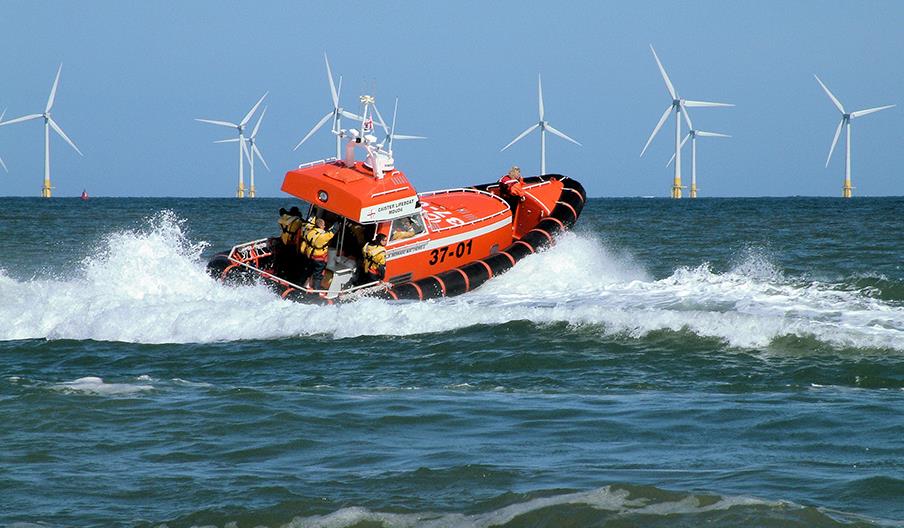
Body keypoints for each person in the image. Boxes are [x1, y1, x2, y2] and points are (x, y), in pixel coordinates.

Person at [301, 218, 338, 289]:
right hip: (319, 259)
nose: (324, 227)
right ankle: (316, 292)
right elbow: (333, 231)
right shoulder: (323, 236)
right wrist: (338, 222)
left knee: (308, 272)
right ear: (321, 226)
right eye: (324, 225)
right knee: (317, 276)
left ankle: (302, 285)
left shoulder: (310, 232)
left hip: (310, 256)